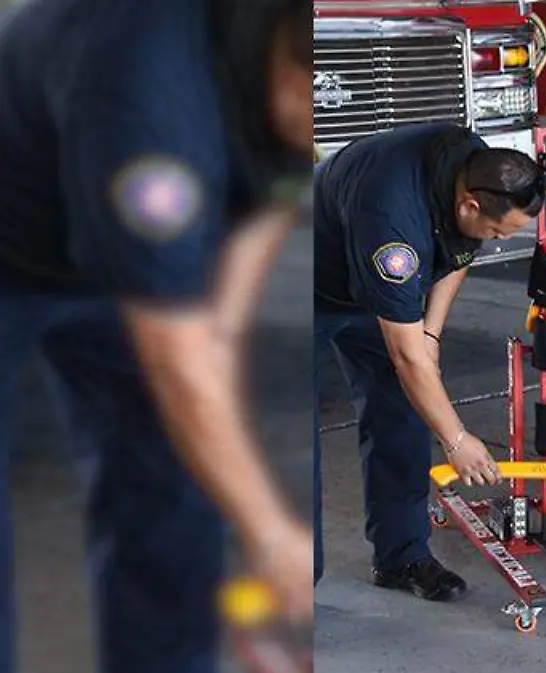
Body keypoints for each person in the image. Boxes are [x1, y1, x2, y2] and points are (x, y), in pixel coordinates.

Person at [0, 1, 315, 671]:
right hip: (15, 226)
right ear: (290, 79)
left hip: (109, 238)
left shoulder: (282, 57)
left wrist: (222, 330)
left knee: (175, 466)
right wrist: (271, 536)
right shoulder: (152, 93)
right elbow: (175, 355)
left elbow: (273, 194)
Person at [312, 123, 542, 600]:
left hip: (373, 286)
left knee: (402, 411)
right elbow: (405, 354)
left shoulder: (475, 164)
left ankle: (402, 557)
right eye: (499, 231)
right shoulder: (392, 222)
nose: (498, 240)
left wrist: (431, 331)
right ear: (470, 205)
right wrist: (456, 439)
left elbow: (459, 253)